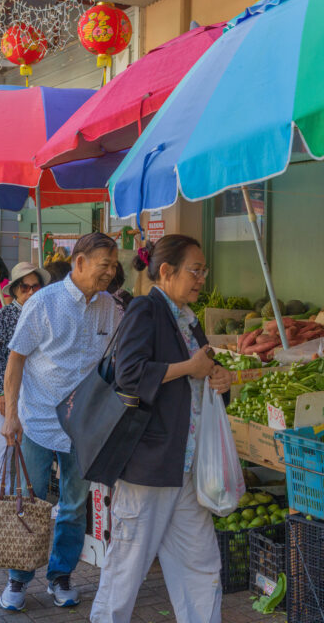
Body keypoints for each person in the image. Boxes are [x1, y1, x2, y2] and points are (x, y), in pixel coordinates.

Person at [90, 235, 233, 623]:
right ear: (166, 271)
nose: (201, 278)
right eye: (195, 270)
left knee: (201, 566)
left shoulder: (187, 317)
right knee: (126, 567)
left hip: (184, 468)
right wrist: (191, 368)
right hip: (148, 467)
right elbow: (130, 375)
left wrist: (220, 380)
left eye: (204, 271)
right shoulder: (146, 311)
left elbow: (201, 376)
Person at [0, 232, 121, 611]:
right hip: (37, 419)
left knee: (73, 504)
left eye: (115, 266)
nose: (111, 273)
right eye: (105, 265)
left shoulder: (110, 308)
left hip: (84, 427)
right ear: (79, 262)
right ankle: (18, 579)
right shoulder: (44, 303)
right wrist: (12, 414)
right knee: (30, 502)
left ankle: (60, 575)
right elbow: (15, 359)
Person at [0, 262, 48, 495]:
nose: (31, 291)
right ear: (15, 289)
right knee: (4, 444)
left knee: (29, 445)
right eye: (25, 287)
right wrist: (1, 392)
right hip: (11, 388)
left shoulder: (43, 312)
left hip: (37, 389)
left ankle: (22, 495)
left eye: (36, 286)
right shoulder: (5, 315)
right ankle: (1, 495)